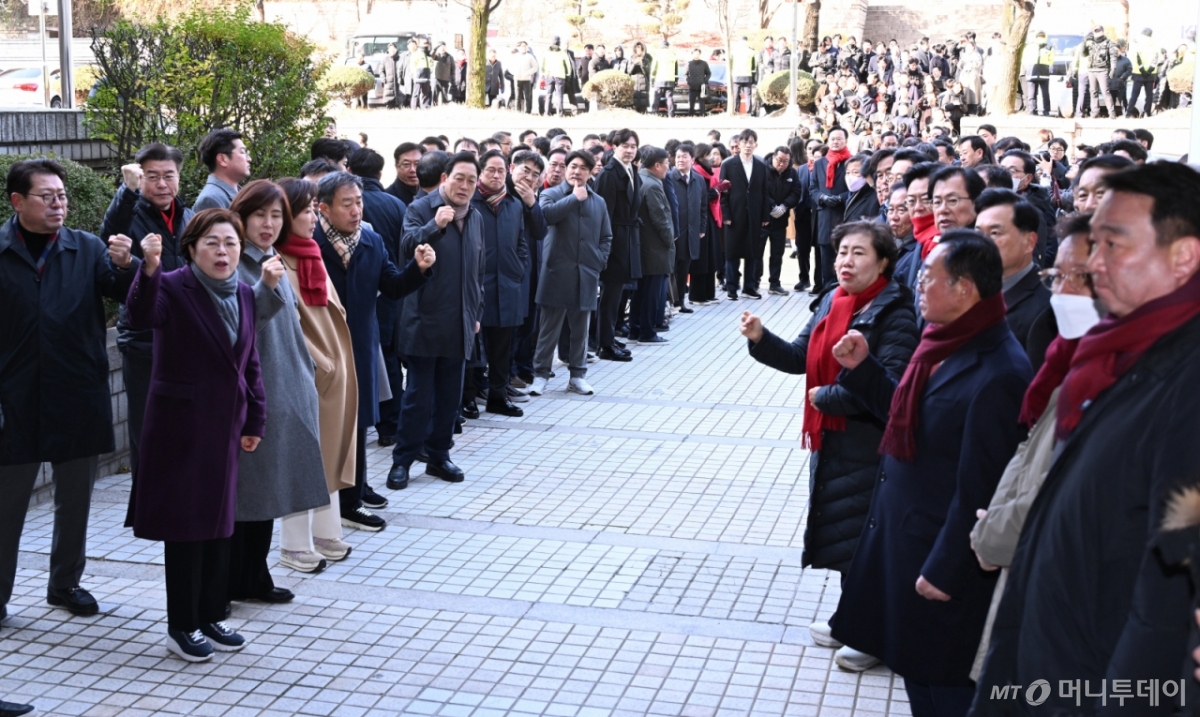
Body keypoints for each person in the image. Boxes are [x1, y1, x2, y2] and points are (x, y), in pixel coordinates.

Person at [975, 163, 1200, 713]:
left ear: (1184, 257)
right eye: (1091, 244)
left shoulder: (1186, 383)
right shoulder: (1113, 355)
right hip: (1051, 660)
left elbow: (1164, 597)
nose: (1094, 265)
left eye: (1114, 245)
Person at [828, 231, 1032, 710]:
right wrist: (864, 370)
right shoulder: (943, 342)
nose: (917, 285)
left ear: (965, 289)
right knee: (917, 678)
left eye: (928, 277)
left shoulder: (999, 371)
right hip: (905, 545)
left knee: (942, 689)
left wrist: (946, 570)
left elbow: (982, 489)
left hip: (943, 568)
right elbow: (914, 417)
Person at [741, 220, 918, 650]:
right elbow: (802, 356)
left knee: (869, 541)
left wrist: (832, 398)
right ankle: (851, 620)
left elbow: (892, 387)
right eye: (842, 252)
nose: (846, 261)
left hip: (870, 443)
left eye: (859, 253)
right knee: (845, 538)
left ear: (883, 263)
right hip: (833, 443)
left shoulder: (895, 311)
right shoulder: (832, 302)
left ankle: (872, 636)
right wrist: (762, 338)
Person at [124, 208, 267, 662]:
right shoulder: (171, 285)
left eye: (229, 243)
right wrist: (147, 269)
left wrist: (255, 419)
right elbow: (141, 313)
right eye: (211, 243)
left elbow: (250, 362)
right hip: (180, 430)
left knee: (220, 525)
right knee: (186, 530)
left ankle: (209, 613)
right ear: (190, 248)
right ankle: (181, 625)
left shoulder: (244, 292)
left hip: (226, 427)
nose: (222, 252)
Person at [966, 213, 1102, 682]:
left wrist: (992, 535)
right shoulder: (1077, 360)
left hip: (1073, 616)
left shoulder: (1130, 378)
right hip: (1029, 583)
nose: (1060, 292)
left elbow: (1059, 490)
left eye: (1076, 278)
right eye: (1056, 276)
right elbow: (1031, 450)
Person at [0, 159, 137, 621]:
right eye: (47, 196)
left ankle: (65, 584)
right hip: (13, 400)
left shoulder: (86, 247)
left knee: (75, 499)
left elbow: (124, 292)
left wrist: (127, 266)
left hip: (77, 392)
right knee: (7, 506)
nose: (59, 204)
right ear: (17, 201)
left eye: (62, 196)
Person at [226, 182, 331, 592]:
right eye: (259, 216)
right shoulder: (235, 263)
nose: (268, 224)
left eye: (276, 216)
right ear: (241, 216)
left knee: (270, 489)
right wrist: (265, 288)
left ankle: (254, 574)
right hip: (258, 395)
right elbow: (237, 325)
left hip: (287, 389)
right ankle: (237, 578)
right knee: (249, 492)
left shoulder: (270, 258)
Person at [314, 172, 432, 530]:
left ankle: (352, 496)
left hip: (363, 344)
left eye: (359, 202)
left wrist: (419, 269)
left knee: (360, 421)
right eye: (346, 204)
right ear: (324, 208)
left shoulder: (371, 238)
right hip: (324, 347)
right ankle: (336, 498)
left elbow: (394, 286)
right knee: (331, 424)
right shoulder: (311, 244)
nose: (356, 211)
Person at [386, 152, 484, 491]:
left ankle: (439, 455)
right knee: (418, 396)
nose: (465, 186)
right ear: (445, 178)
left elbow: (476, 271)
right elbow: (407, 247)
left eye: (472, 181)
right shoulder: (420, 209)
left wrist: (476, 313)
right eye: (459, 178)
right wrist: (436, 225)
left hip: (460, 321)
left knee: (449, 398)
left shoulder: (475, 216)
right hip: (424, 320)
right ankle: (403, 460)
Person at [274, 177, 358, 567]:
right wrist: (320, 363)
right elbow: (284, 323)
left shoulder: (310, 253)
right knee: (305, 458)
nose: (312, 217)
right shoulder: (276, 262)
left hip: (333, 372)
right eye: (305, 210)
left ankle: (327, 533)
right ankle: (294, 544)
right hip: (309, 373)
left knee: (329, 453)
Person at [99, 143, 194, 478]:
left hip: (187, 340)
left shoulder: (188, 217)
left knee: (187, 428)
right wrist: (126, 191)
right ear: (140, 178)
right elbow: (109, 241)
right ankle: (148, 504)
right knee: (148, 429)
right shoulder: (130, 214)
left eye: (169, 175)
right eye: (152, 177)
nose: (162, 184)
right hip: (144, 343)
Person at [529, 150, 612, 395]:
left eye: (583, 168)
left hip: (586, 272)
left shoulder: (598, 201)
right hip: (556, 271)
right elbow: (545, 217)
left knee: (581, 330)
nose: (577, 171)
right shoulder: (550, 194)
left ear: (590, 172)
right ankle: (540, 374)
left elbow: (606, 236)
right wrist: (574, 198)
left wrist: (599, 261)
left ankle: (577, 375)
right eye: (573, 166)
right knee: (548, 330)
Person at [471, 149, 543, 416]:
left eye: (501, 171)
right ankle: (470, 395)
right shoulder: (471, 201)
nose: (497, 175)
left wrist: (518, 268)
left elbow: (529, 238)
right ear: (481, 171)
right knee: (475, 348)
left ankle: (498, 397)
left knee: (503, 348)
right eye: (491, 169)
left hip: (509, 284)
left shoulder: (514, 202)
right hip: (479, 285)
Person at [349, 148, 409, 451]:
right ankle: (389, 427)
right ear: (381, 172)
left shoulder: (347, 205)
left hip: (361, 297)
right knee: (388, 358)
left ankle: (364, 421)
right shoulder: (396, 204)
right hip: (390, 292)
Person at [974, 189, 1051, 360]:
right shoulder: (970, 290)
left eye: (995, 233)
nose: (982, 242)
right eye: (978, 233)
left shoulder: (1048, 306)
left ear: (1030, 242)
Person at [594, 129, 642, 362]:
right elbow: (604, 216)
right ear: (614, 147)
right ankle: (604, 345)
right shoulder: (609, 174)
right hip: (614, 243)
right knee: (609, 296)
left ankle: (609, 337)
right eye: (625, 146)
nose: (630, 150)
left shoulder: (632, 169)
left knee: (617, 295)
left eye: (633, 146)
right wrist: (606, 248)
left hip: (628, 237)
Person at [719, 129, 771, 300]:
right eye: (744, 142)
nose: (747, 145)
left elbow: (764, 192)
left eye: (751, 142)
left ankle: (750, 287)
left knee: (753, 254)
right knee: (732, 253)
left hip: (754, 216)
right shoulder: (728, 164)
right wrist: (725, 214)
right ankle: (732, 288)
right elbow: (723, 192)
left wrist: (765, 216)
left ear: (755, 145)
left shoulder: (761, 165)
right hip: (734, 215)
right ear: (738, 144)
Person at [630, 147, 674, 346]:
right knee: (651, 292)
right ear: (657, 165)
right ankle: (646, 332)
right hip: (654, 248)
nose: (668, 168)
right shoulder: (653, 185)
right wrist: (670, 240)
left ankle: (635, 328)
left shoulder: (641, 179)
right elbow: (660, 219)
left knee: (641, 291)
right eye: (666, 164)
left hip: (643, 246)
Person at [811, 128, 853, 290]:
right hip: (824, 216)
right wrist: (821, 198)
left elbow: (856, 187)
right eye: (832, 139)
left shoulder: (851, 162)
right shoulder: (820, 163)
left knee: (843, 254)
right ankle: (827, 291)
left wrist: (841, 198)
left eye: (839, 139)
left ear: (845, 141)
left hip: (844, 214)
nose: (835, 142)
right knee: (826, 257)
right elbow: (813, 187)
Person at [668, 145, 706, 313]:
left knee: (684, 268)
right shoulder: (669, 178)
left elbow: (703, 206)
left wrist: (702, 227)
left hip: (691, 232)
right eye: (678, 157)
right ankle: (671, 302)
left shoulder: (699, 180)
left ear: (692, 159)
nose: (680, 160)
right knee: (671, 269)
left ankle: (680, 301)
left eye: (684, 157)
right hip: (673, 233)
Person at [762, 146, 803, 296]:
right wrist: (772, 206)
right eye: (779, 160)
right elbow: (760, 191)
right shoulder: (763, 170)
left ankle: (774, 283)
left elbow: (796, 192)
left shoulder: (792, 173)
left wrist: (785, 206)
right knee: (757, 252)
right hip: (764, 218)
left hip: (781, 219)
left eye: (786, 161)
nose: (782, 164)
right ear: (773, 157)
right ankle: (753, 282)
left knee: (777, 253)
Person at [194, 129, 251, 211]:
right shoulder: (210, 200)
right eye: (242, 152)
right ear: (222, 159)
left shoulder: (242, 194)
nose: (249, 159)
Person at [1079, 24, 1118, 119]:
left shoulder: (1109, 43)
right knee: (1093, 92)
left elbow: (1113, 57)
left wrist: (1113, 69)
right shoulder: (1090, 43)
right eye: (1095, 31)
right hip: (1092, 70)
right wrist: (1084, 41)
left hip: (1103, 70)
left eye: (1098, 31)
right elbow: (1083, 53)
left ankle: (1112, 113)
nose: (1097, 33)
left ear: (1102, 31)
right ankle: (1095, 112)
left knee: (1105, 92)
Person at [541, 37, 571, 116]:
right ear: (559, 43)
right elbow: (568, 65)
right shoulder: (562, 53)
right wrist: (568, 74)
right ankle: (559, 114)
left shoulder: (546, 52)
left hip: (549, 75)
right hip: (560, 76)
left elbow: (542, 64)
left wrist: (544, 73)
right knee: (559, 95)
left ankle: (546, 113)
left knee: (548, 94)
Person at [651, 41, 677, 117]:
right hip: (670, 80)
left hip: (659, 79)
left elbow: (653, 69)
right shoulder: (673, 55)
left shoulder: (657, 54)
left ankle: (655, 113)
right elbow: (676, 69)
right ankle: (671, 114)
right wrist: (676, 80)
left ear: (661, 46)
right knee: (669, 98)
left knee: (657, 97)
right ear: (668, 46)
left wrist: (652, 79)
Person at [686, 49, 711, 116]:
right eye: (695, 53)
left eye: (698, 54)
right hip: (692, 87)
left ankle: (702, 115)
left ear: (700, 54)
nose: (696, 55)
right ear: (692, 54)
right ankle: (690, 116)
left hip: (701, 87)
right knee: (691, 103)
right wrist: (688, 81)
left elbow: (708, 73)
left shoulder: (704, 63)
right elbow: (686, 74)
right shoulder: (689, 63)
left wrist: (705, 80)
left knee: (702, 104)